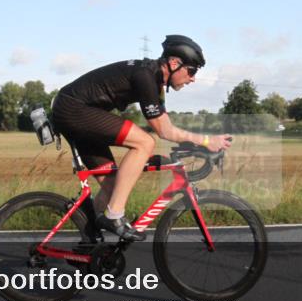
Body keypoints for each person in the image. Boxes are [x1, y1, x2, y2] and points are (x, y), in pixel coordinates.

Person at [51, 35, 232, 241]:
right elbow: (164, 131)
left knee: (113, 186)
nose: (193, 78)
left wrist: (198, 145)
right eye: (192, 71)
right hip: (73, 109)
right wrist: (207, 141)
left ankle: (90, 242)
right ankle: (114, 216)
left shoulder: (154, 81)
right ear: (174, 63)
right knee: (144, 142)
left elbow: (168, 127)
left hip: (77, 111)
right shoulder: (145, 76)